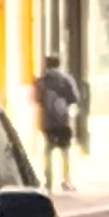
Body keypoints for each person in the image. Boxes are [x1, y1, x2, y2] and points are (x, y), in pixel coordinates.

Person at [35, 55, 84, 191]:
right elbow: (75, 98)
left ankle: (48, 180)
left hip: (48, 121)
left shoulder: (42, 81)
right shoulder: (66, 80)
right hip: (63, 120)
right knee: (65, 151)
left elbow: (37, 98)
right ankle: (66, 180)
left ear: (47, 65)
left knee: (47, 151)